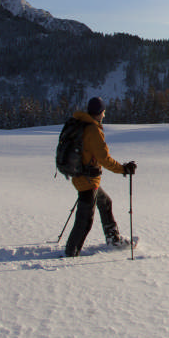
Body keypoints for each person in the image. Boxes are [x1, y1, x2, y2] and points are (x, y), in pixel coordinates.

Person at [63, 97, 138, 257]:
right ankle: (71, 252)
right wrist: (124, 169)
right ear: (99, 112)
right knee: (85, 221)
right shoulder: (93, 131)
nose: (104, 115)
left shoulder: (81, 124)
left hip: (82, 177)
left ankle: (113, 239)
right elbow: (105, 159)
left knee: (105, 203)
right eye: (103, 112)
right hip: (88, 181)